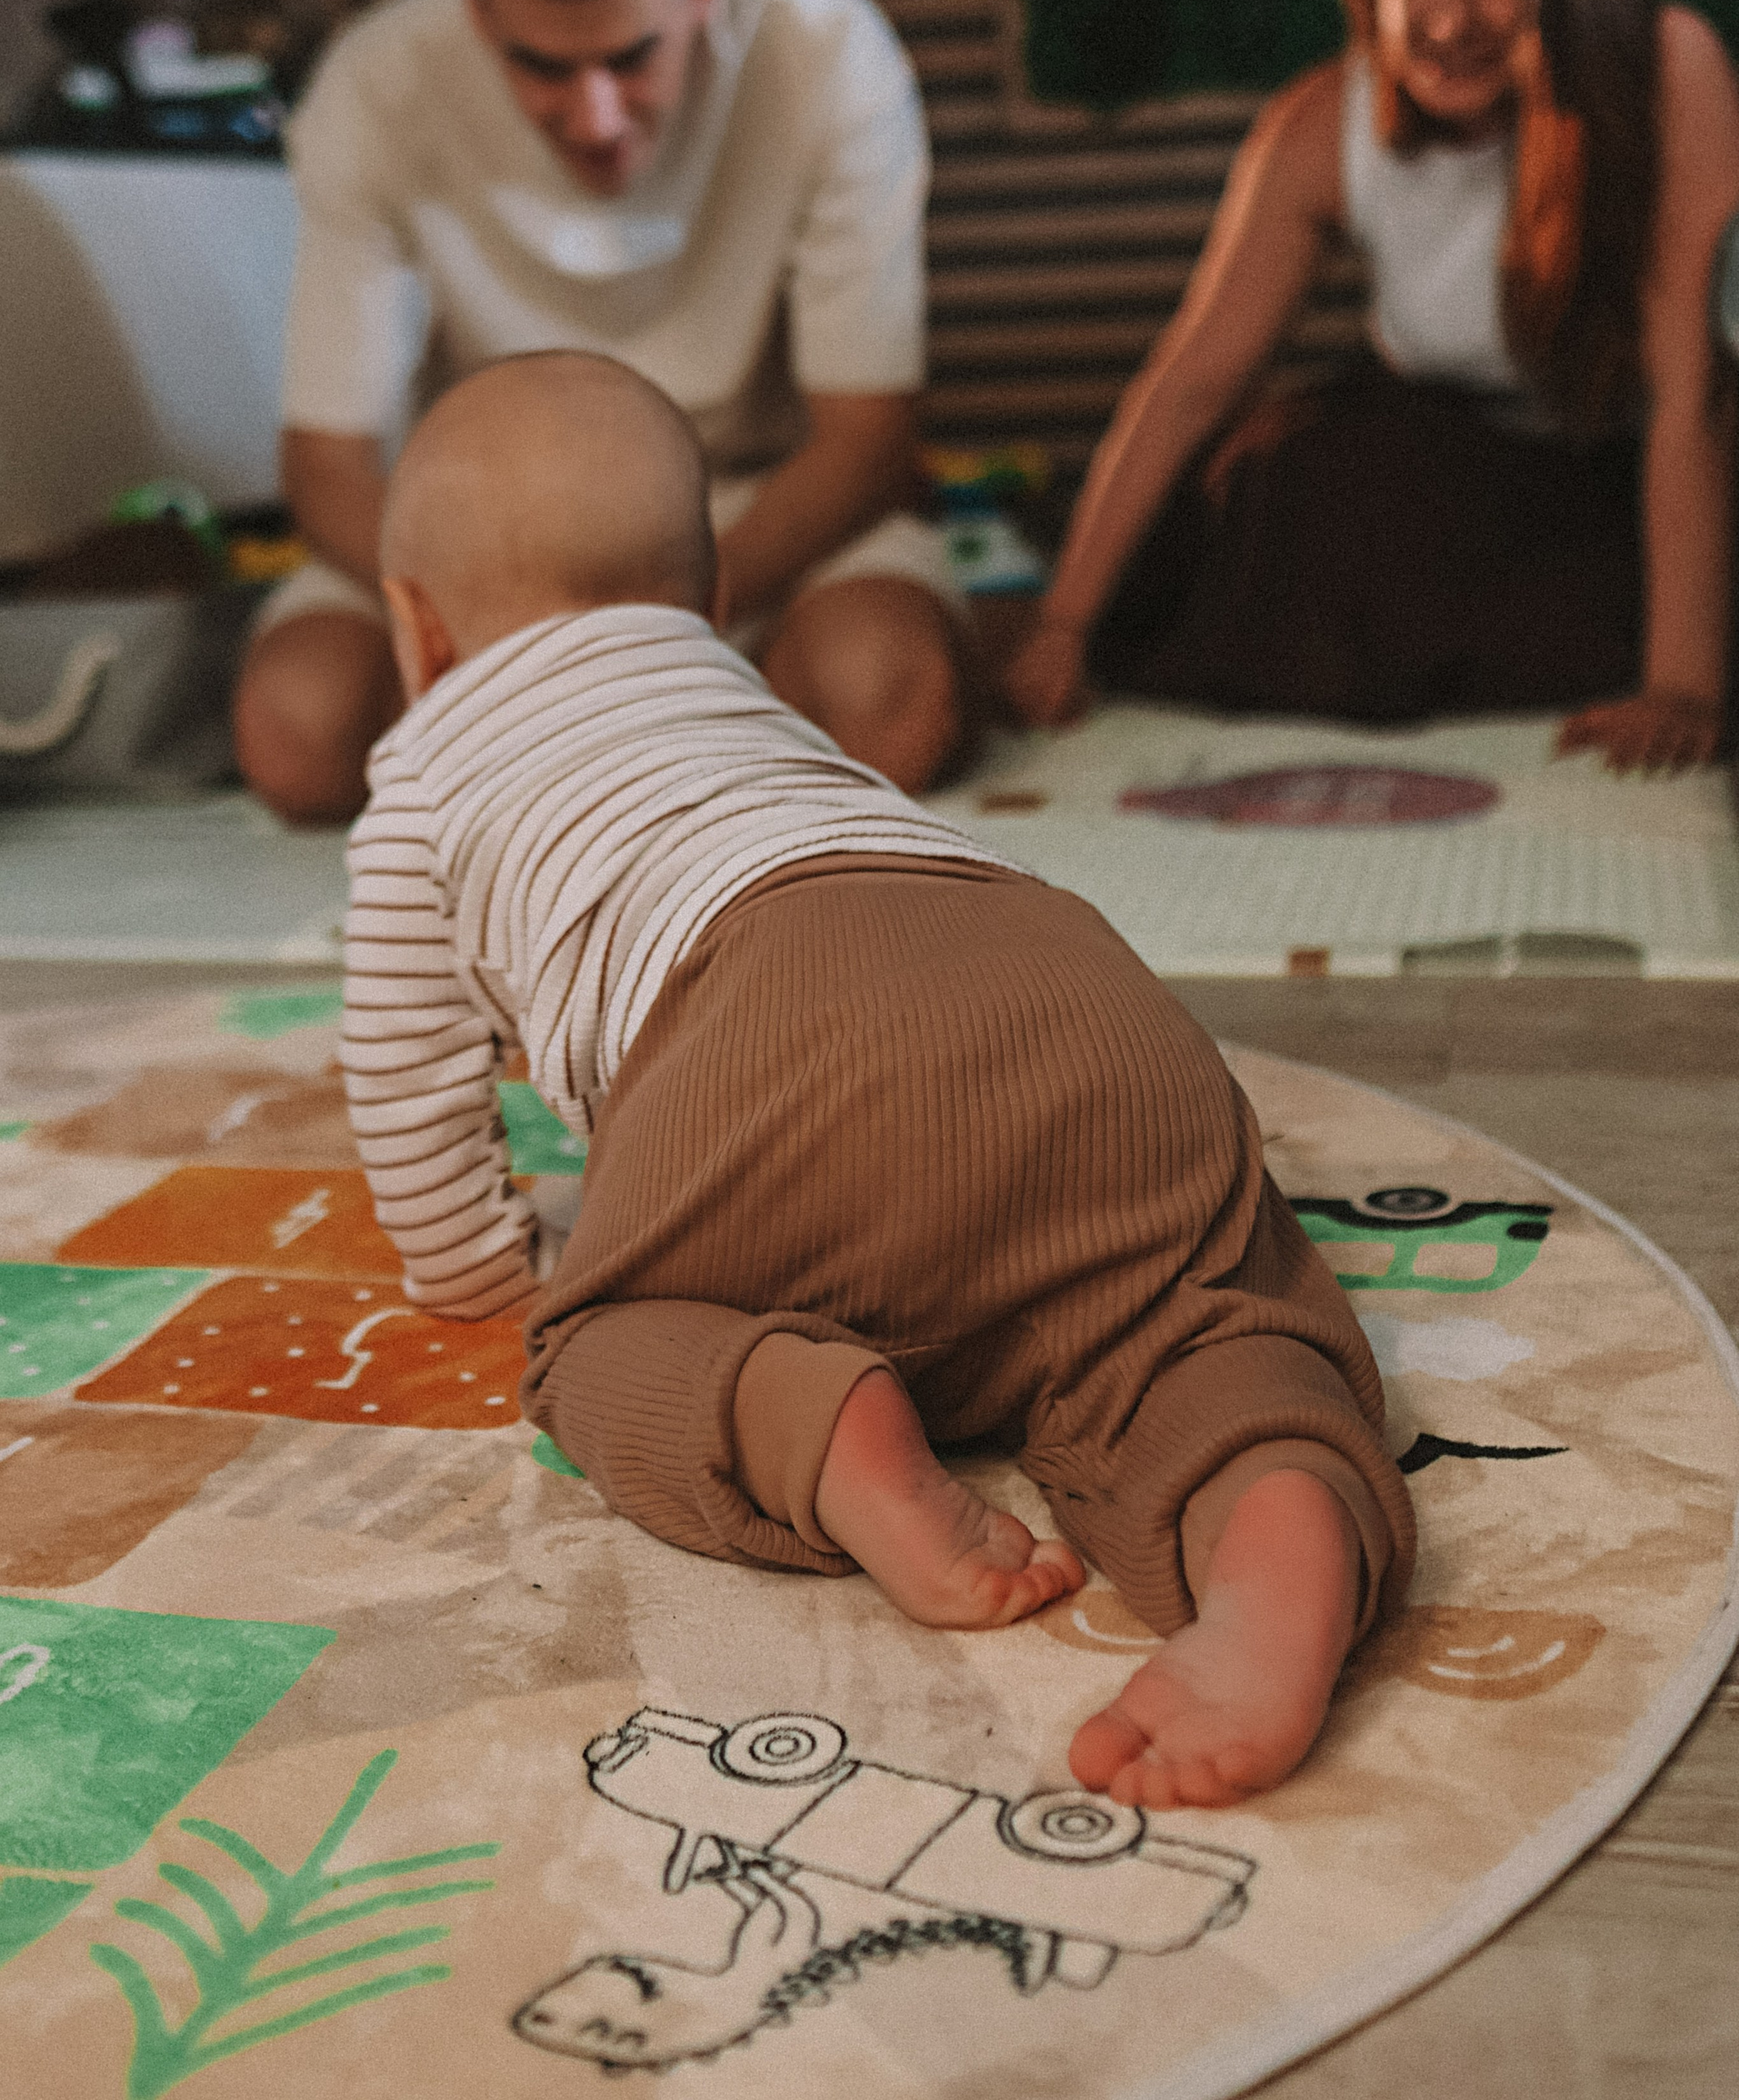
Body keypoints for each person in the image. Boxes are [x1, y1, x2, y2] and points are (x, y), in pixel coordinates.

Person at [340, 349, 1414, 1811]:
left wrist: (469, 1265)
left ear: (414, 626)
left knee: (591, 1348)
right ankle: (1273, 1512)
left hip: (757, 1028)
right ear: (710, 600)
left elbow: (402, 1075)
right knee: (1174, 1309)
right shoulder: (740, 691)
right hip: (1058, 970)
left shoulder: (421, 768)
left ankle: (823, 1428)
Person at [236, 0, 970, 824]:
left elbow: (869, 436)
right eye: (543, 68)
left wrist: (656, 626)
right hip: (478, 542)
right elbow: (326, 464)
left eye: (631, 58)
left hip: (751, 519)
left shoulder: (828, 46)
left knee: (892, 704)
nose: (597, 118)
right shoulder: (373, 82)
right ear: (481, 11)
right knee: (297, 735)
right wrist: (501, 628)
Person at [1009, 0, 1739, 772]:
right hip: (1443, 467)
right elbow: (1188, 384)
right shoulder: (1319, 123)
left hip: (1623, 475)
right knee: (1272, 481)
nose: (1451, 20)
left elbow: (1689, 401)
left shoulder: (1669, 66)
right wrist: (1062, 625)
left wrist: (1682, 689)